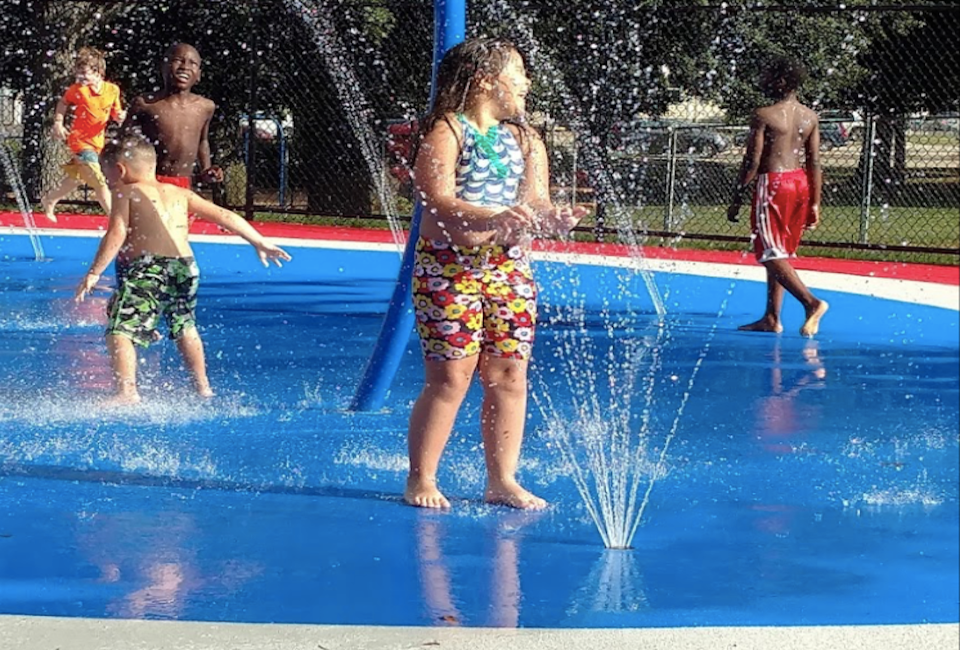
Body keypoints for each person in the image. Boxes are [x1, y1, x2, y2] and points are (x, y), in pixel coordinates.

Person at [404, 37, 587, 510]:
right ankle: (421, 477)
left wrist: (552, 218)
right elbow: (436, 198)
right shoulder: (449, 131)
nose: (527, 82)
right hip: (449, 267)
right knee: (451, 377)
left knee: (509, 374)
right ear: (486, 81)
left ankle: (502, 479)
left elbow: (536, 202)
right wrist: (490, 216)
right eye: (519, 72)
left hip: (508, 266)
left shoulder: (527, 140)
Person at [74, 134, 291, 405]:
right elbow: (224, 216)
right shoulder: (180, 193)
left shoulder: (125, 191)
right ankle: (202, 386)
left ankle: (127, 391)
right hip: (186, 268)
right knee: (184, 324)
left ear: (119, 171)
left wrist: (94, 271)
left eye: (106, 176)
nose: (107, 182)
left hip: (148, 267)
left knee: (120, 329)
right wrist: (259, 241)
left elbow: (116, 232)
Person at [727, 55, 829, 338]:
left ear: (781, 81)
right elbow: (815, 162)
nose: (763, 81)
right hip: (799, 185)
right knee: (780, 250)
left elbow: (752, 160)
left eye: (768, 76)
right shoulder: (810, 117)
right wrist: (815, 202)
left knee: (768, 252)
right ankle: (772, 318)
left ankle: (812, 303)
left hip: (773, 184)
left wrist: (736, 197)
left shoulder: (764, 115)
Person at [121, 43, 224, 192]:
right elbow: (125, 140)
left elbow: (203, 141)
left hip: (184, 183)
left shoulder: (205, 107)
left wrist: (206, 170)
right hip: (148, 180)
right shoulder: (145, 103)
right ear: (163, 66)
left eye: (192, 63)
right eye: (178, 60)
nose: (185, 66)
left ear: (199, 75)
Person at [40, 46, 125, 222]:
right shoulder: (77, 89)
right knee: (99, 180)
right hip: (79, 141)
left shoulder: (112, 90)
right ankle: (114, 218)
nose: (81, 78)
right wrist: (58, 122)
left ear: (99, 72)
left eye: (85, 73)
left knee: (76, 179)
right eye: (78, 74)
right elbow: (63, 103)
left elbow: (115, 112)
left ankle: (50, 199)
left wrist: (120, 117)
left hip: (97, 143)